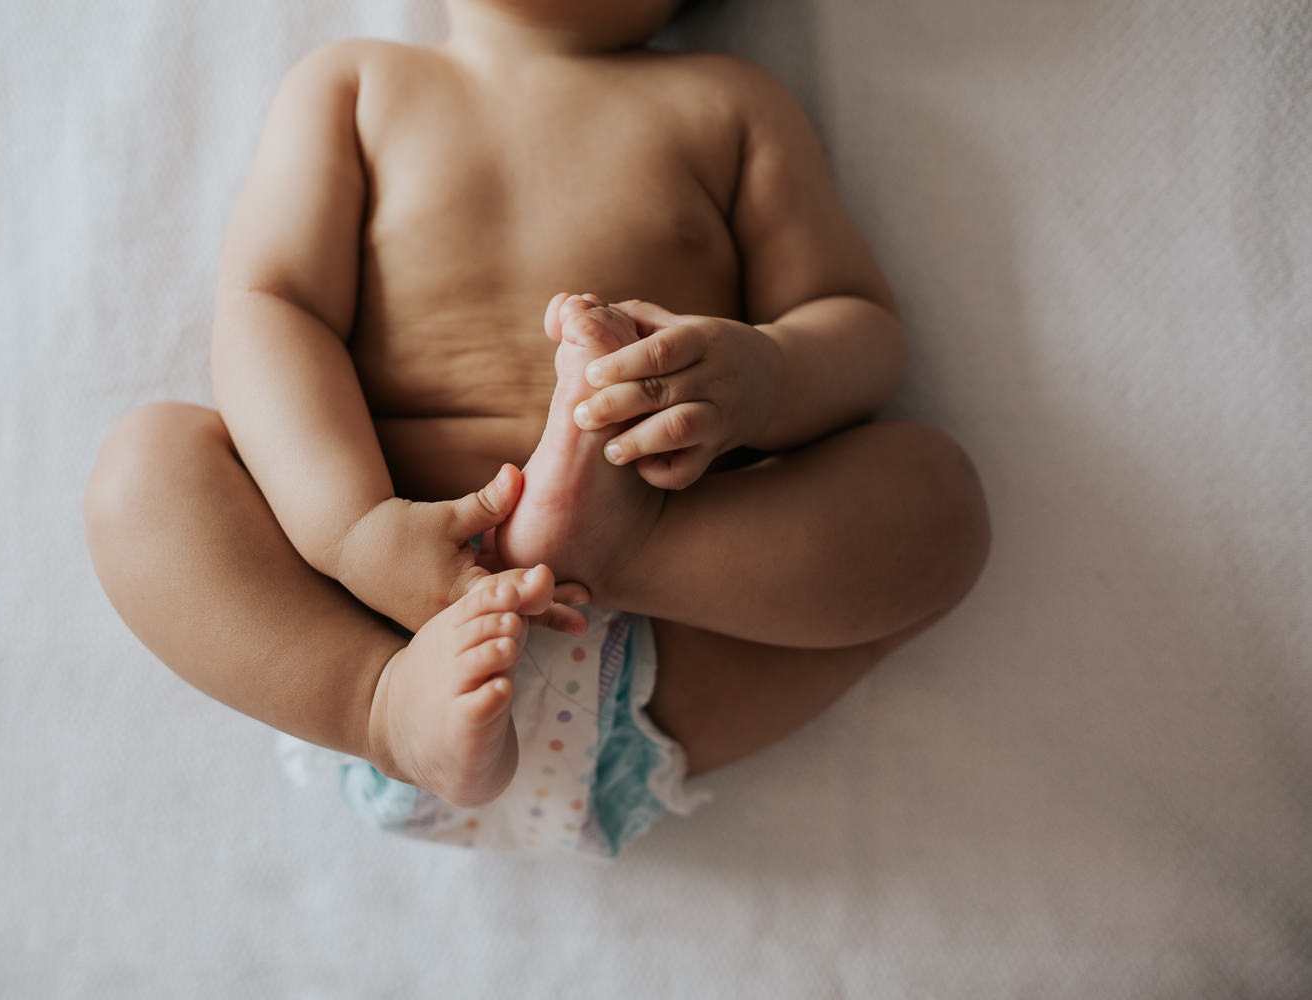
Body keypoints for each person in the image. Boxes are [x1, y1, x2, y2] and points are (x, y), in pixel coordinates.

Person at [84, 0, 991, 857]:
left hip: (658, 639)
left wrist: (766, 374)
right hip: (363, 631)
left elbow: (857, 325)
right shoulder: (356, 87)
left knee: (936, 498)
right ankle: (383, 711)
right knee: (145, 472)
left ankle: (626, 545)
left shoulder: (732, 107)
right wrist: (352, 532)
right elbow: (270, 309)